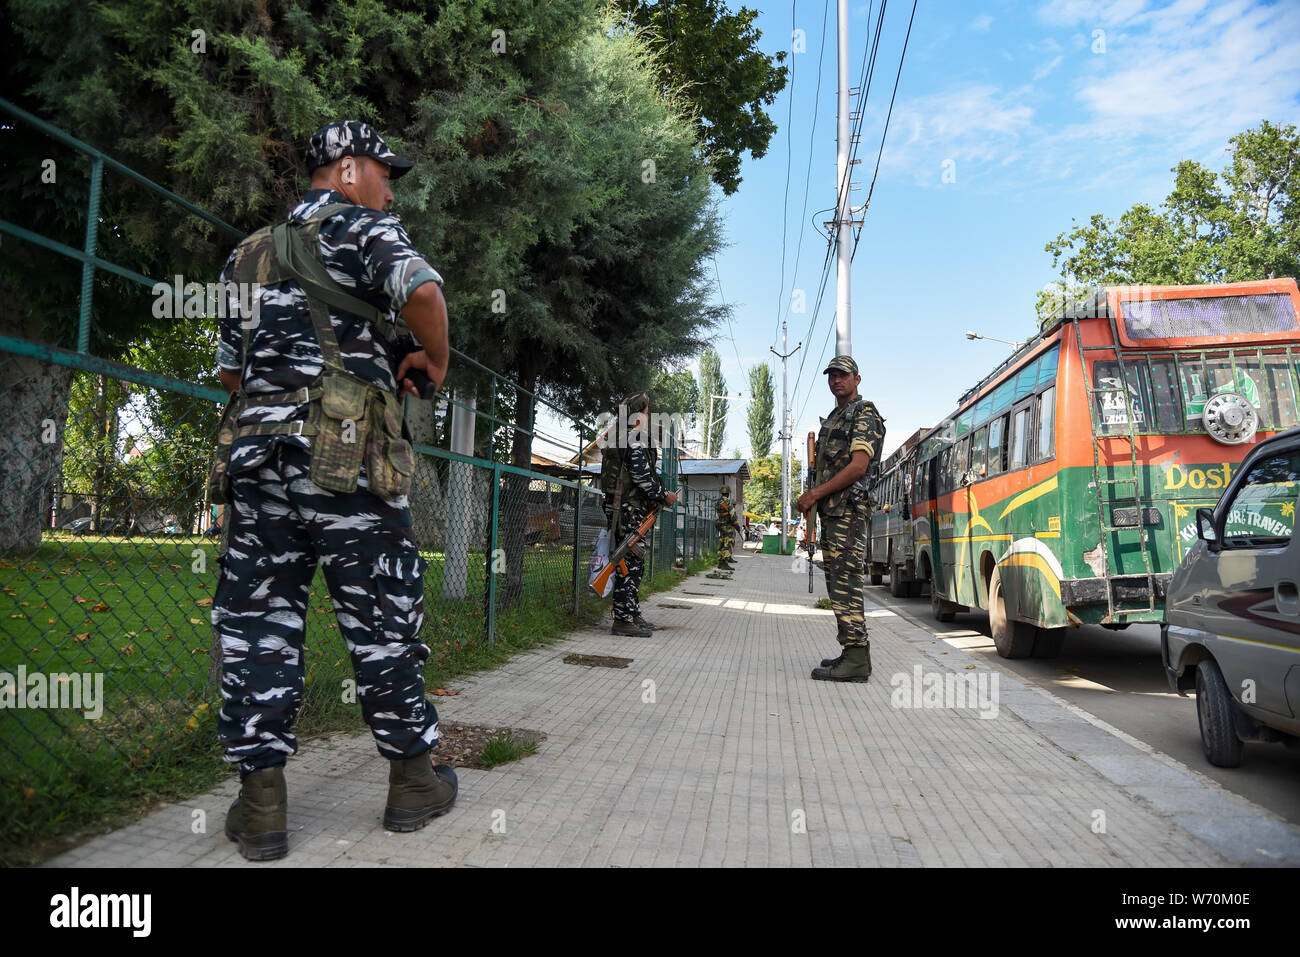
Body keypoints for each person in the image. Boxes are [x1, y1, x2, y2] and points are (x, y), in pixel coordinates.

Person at [210, 120, 454, 861]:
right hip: (344, 457)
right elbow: (424, 293)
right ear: (347, 169)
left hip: (257, 459)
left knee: (257, 622)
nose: (390, 188)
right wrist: (432, 361)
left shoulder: (245, 253)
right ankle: (413, 781)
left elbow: (229, 369)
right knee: (380, 614)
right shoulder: (363, 227)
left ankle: (260, 805)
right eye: (385, 173)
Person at [796, 356, 885, 682]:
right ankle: (851, 652)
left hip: (848, 512)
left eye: (843, 375)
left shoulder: (863, 414)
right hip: (835, 514)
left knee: (846, 584)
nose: (837, 380)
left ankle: (857, 660)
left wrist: (817, 494)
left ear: (857, 379)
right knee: (838, 584)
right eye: (832, 375)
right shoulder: (837, 417)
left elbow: (859, 466)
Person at [600, 393, 677, 637]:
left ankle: (631, 612)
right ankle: (623, 620)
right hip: (628, 510)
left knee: (634, 563)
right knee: (629, 564)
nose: (648, 416)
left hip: (624, 508)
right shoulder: (635, 440)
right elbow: (643, 479)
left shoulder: (621, 437)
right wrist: (665, 495)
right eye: (645, 412)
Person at [714, 485, 740, 569]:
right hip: (728, 526)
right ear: (728, 493)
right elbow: (732, 515)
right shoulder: (728, 502)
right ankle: (724, 563)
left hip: (720, 525)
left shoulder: (718, 502)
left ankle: (720, 561)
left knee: (722, 543)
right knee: (728, 543)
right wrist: (736, 525)